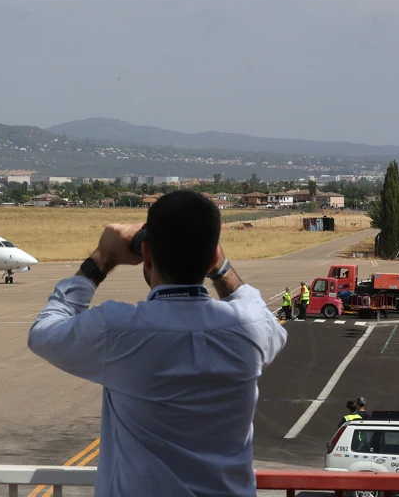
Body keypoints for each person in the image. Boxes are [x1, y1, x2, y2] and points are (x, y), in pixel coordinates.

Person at [28, 190, 288, 497]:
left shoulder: (118, 328)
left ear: (147, 255)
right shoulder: (251, 327)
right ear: (212, 255)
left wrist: (101, 260)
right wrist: (219, 266)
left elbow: (43, 331)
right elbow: (257, 311)